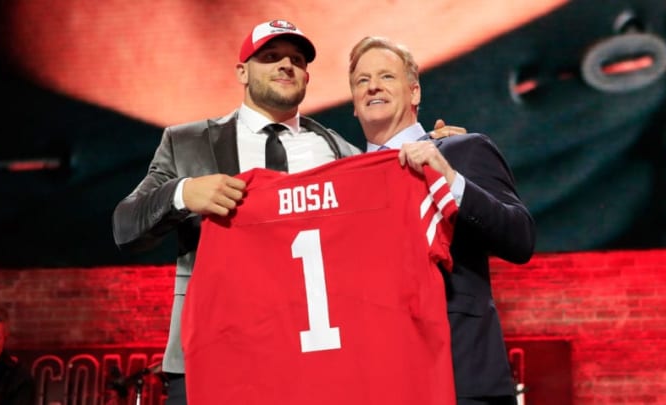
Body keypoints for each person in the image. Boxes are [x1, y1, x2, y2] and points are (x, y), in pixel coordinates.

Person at [112, 19, 465, 404]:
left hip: (315, 358)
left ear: (307, 77)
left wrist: (432, 149)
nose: (286, 65)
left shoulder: (338, 151)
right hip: (215, 356)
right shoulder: (187, 142)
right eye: (270, 57)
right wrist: (182, 194)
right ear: (242, 72)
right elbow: (125, 226)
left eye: (296, 60)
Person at [348, 36, 536, 405]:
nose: (372, 86)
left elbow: (520, 238)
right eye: (361, 80)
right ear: (354, 104)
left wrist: (450, 179)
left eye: (386, 76)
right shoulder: (344, 180)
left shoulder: (462, 150)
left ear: (414, 92)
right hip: (378, 380)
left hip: (460, 375)